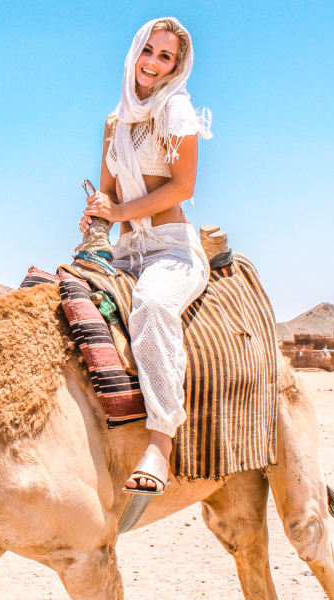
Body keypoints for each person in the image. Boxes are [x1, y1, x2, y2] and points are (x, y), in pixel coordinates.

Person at [79, 17, 212, 494]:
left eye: (165, 56)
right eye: (149, 51)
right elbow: (108, 194)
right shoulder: (115, 122)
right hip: (125, 249)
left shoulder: (176, 110)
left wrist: (115, 211)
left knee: (153, 308)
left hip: (169, 249)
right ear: (135, 52)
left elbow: (183, 186)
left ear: (177, 66)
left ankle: (160, 441)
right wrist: (97, 217)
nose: (153, 64)